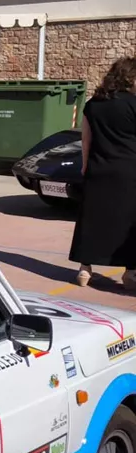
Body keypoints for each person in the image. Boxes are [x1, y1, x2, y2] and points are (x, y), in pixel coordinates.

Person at [71, 58, 136, 288]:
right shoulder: (133, 104)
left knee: (92, 220)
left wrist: (85, 166)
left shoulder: (93, 104)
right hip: (129, 171)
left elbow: (85, 140)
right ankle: (130, 273)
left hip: (99, 168)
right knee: (129, 222)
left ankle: (84, 269)